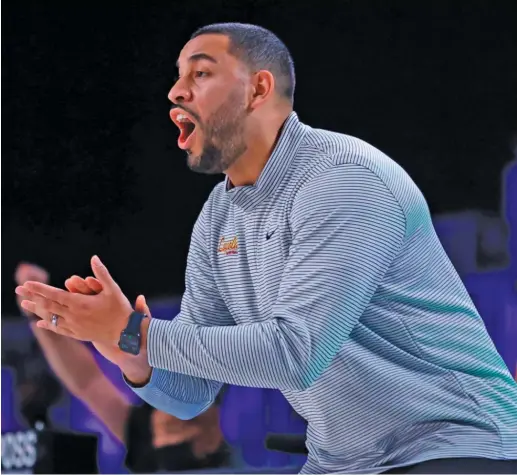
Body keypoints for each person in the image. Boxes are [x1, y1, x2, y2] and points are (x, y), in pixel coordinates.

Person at [16, 22, 517, 474]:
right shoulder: (218, 216)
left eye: (201, 73)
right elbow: (190, 394)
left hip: (457, 444)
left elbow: (295, 353)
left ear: (259, 88)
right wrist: (124, 349)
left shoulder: (344, 180)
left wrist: (137, 333)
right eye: (177, 75)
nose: (175, 90)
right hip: (344, 461)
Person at [14, 262, 230, 473]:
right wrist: (38, 310)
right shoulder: (147, 424)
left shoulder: (229, 395)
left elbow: (88, 382)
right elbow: (87, 381)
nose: (162, 430)